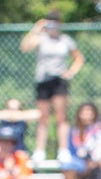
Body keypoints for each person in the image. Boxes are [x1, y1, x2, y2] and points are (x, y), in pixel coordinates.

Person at [22, 14, 84, 163]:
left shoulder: (65, 40)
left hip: (59, 81)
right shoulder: (41, 38)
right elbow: (25, 47)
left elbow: (78, 58)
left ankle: (63, 150)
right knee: (42, 117)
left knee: (61, 117)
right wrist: (36, 29)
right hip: (43, 80)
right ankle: (40, 150)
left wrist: (71, 72)